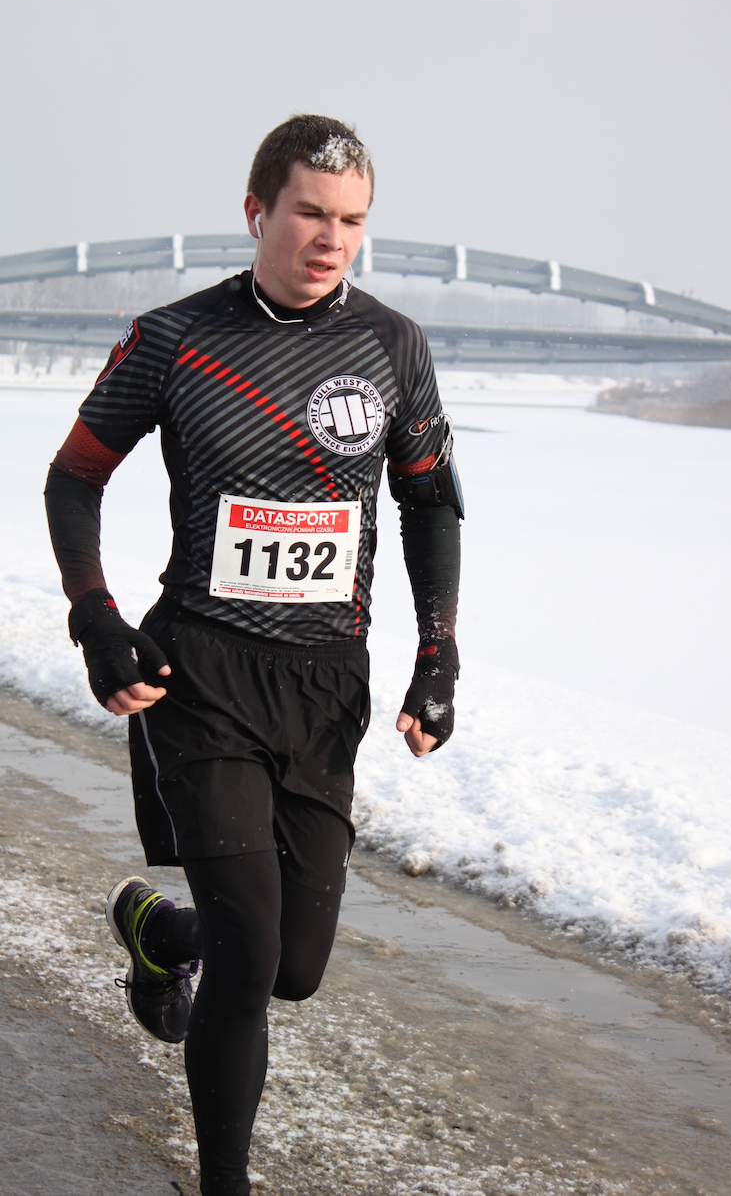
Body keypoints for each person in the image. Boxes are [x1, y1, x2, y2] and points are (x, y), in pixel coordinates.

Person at [44, 114, 462, 1196]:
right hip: (202, 674)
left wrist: (438, 653)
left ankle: (162, 931)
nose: (332, 239)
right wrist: (97, 618)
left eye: (353, 221)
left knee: (293, 969)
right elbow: (74, 476)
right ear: (256, 212)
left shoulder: (392, 346)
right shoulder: (176, 337)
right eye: (310, 214)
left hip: (325, 683)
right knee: (247, 959)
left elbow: (428, 502)